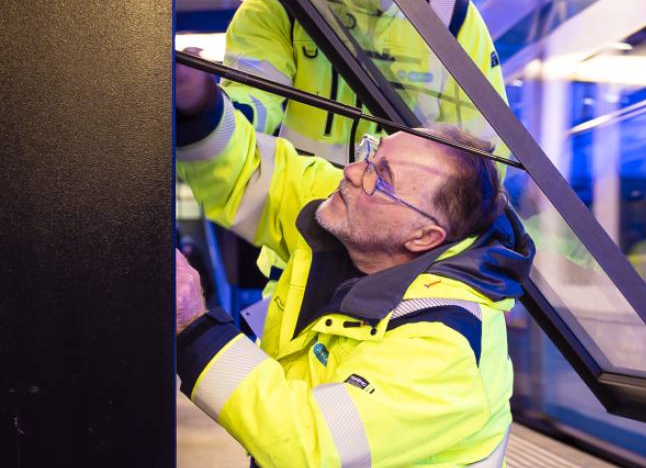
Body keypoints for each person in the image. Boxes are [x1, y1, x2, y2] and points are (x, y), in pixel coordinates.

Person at [174, 65, 534, 467]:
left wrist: (194, 326)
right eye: (371, 153)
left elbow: (310, 445)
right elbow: (248, 174)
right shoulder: (350, 213)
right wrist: (199, 105)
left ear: (424, 237)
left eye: (381, 178)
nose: (351, 172)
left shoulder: (447, 347)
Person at [219, 0, 509, 293]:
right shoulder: (279, 4)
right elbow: (247, 108)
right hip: (302, 241)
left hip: (407, 260)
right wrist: (210, 114)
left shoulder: (450, 19)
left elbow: (489, 151)